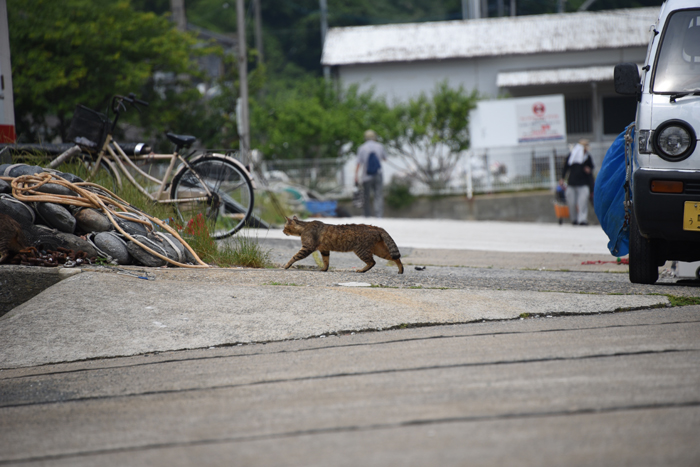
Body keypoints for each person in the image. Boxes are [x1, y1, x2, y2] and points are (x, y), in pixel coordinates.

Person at [560, 139, 594, 225]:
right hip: (572, 183)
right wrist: (562, 178)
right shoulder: (572, 156)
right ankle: (574, 219)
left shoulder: (587, 157)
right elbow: (566, 167)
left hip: (584, 183)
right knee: (571, 202)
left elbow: (591, 168)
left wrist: (588, 170)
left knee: (582, 202)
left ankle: (582, 220)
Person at [355, 129, 387, 218]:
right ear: (374, 137)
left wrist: (356, 176)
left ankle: (367, 215)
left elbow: (358, 163)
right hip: (378, 174)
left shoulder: (361, 148)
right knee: (378, 195)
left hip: (366, 175)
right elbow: (385, 158)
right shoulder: (380, 146)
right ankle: (379, 215)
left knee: (366, 196)